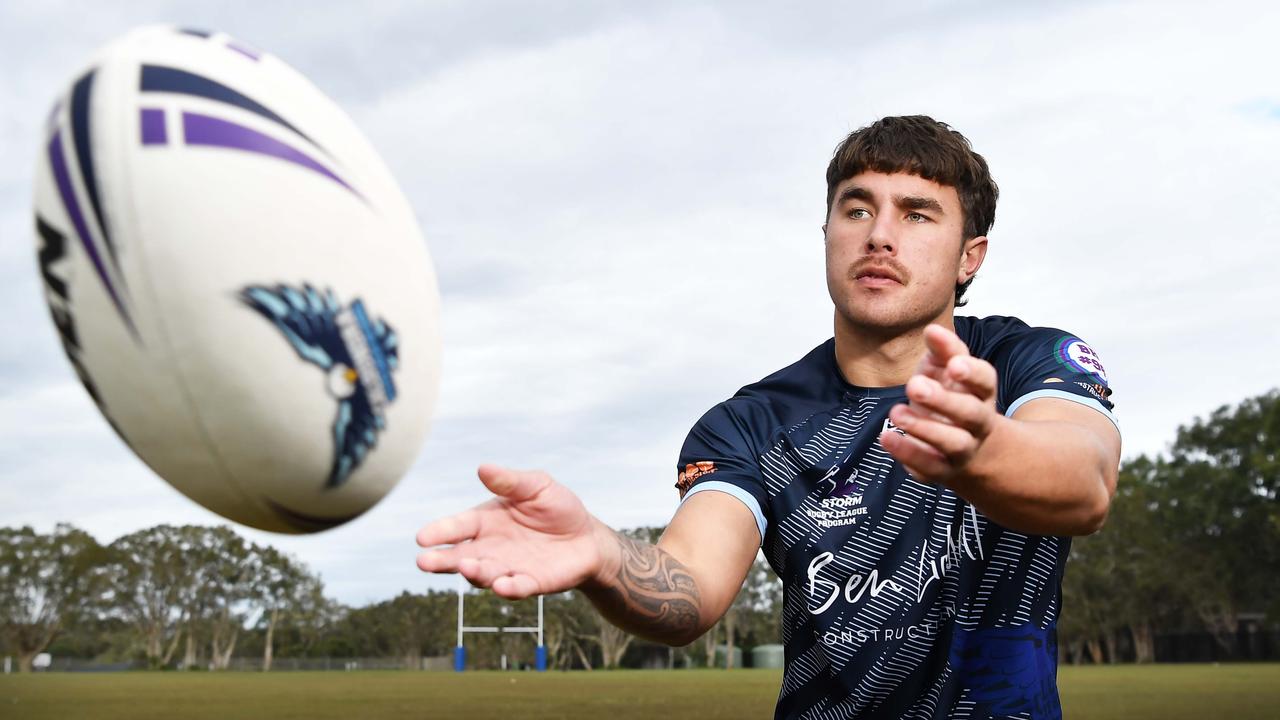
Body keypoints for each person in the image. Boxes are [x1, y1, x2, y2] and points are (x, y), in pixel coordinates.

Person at [416, 115, 1120, 719]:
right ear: (827, 233)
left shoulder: (1025, 362)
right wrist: (602, 555)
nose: (879, 236)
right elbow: (689, 585)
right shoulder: (752, 423)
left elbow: (1083, 481)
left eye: (916, 213)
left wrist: (980, 451)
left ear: (971, 257)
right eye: (856, 209)